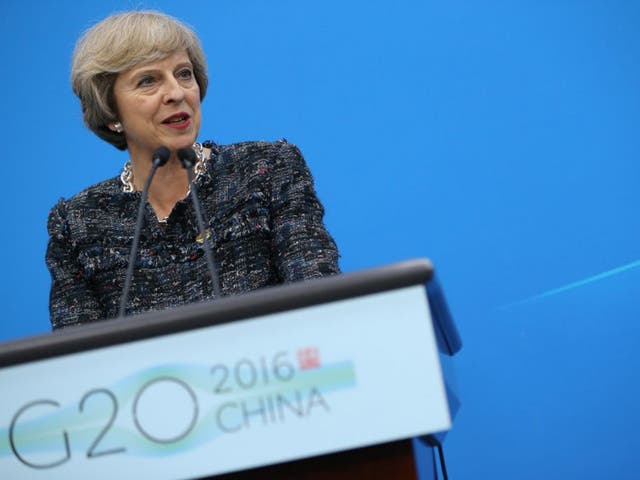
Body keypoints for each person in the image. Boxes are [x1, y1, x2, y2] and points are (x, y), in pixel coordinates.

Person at [46, 10, 340, 330]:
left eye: (184, 74)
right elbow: (78, 361)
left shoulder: (266, 171)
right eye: (148, 80)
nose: (177, 93)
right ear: (110, 111)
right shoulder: (78, 225)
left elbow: (321, 308)